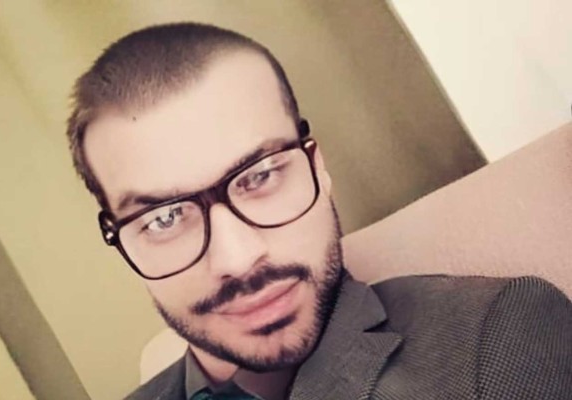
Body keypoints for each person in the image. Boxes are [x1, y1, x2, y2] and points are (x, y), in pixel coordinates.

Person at [65, 22, 572, 400]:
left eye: (260, 176)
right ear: (120, 240)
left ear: (316, 167)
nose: (237, 259)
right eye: (164, 218)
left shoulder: (493, 339)